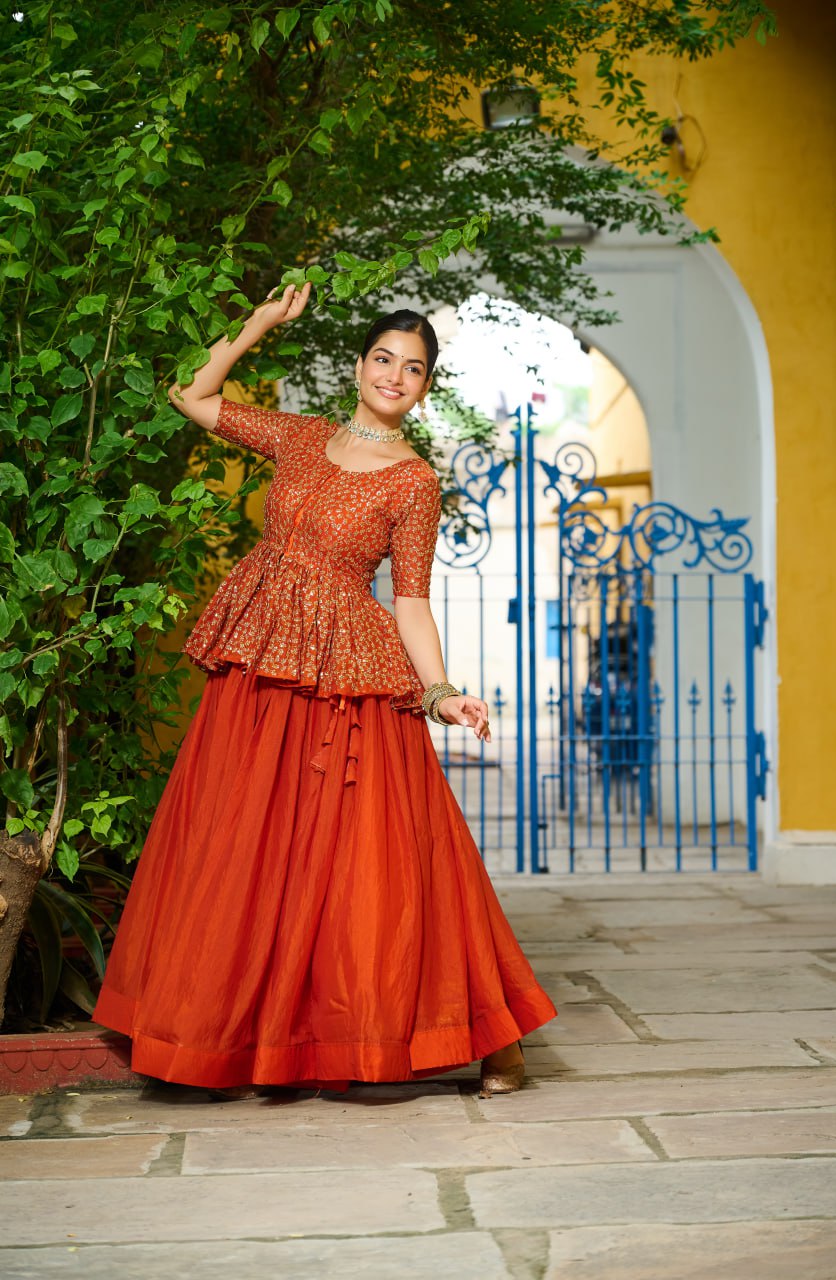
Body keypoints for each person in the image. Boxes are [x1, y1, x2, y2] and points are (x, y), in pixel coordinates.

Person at [92, 283, 557, 1099]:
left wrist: (441, 689)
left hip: (348, 682)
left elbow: (409, 598)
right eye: (383, 358)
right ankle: (233, 1035)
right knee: (242, 847)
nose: (394, 375)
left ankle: (488, 1035)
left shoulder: (412, 481)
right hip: (261, 662)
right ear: (358, 366)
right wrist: (262, 323)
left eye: (412, 368)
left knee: (382, 862)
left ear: (423, 386)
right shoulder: (300, 438)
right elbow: (192, 394)